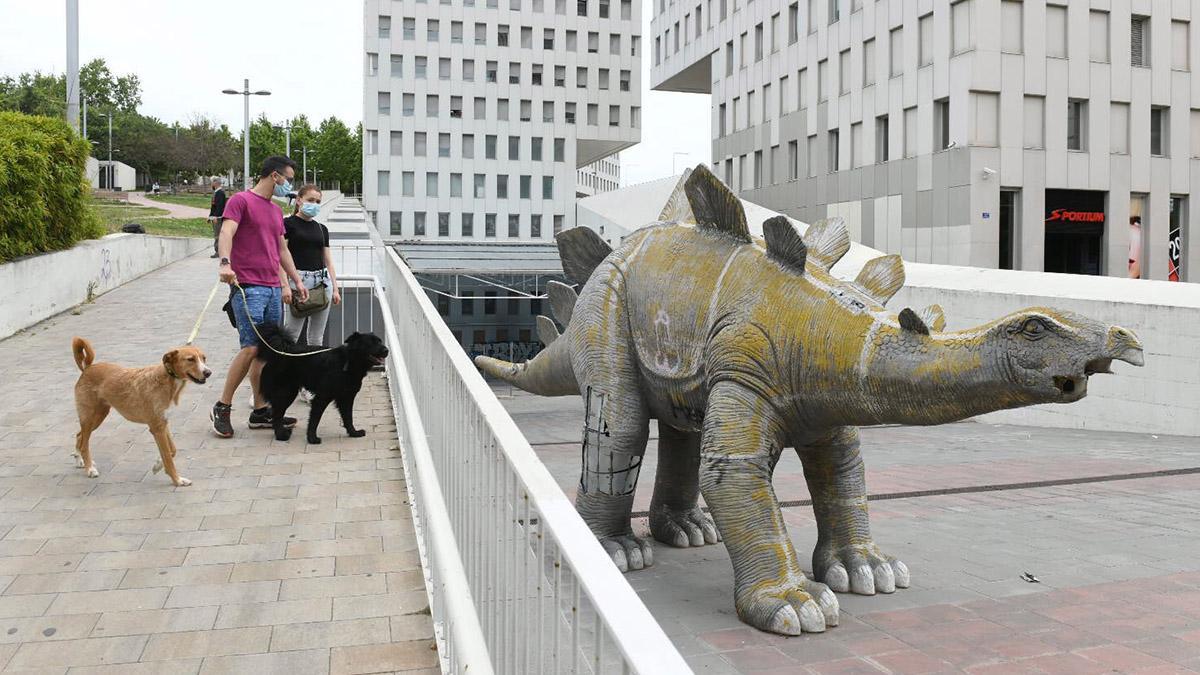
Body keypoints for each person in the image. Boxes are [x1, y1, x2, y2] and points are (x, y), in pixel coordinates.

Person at [211, 155, 309, 438]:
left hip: (272, 288)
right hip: (248, 286)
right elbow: (227, 231)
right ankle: (222, 406)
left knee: (267, 353)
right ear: (275, 176)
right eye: (287, 178)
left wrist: (296, 280)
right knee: (251, 347)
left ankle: (260, 410)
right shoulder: (240, 201)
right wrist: (225, 262)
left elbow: (282, 250)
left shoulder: (276, 212)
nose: (289, 184)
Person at [282, 185, 341, 346]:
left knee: (316, 337)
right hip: (298, 281)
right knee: (291, 335)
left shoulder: (322, 229)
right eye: (310, 200)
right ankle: (286, 369)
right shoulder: (287, 224)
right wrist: (285, 285)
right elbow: (280, 256)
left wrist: (335, 288)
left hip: (322, 283)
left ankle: (314, 370)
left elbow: (328, 260)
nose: (314, 204)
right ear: (299, 200)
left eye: (317, 201)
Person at [208, 178, 228, 258]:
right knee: (216, 234)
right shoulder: (216, 192)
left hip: (218, 217)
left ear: (216, 183)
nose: (211, 184)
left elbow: (220, 207)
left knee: (218, 235)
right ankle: (218, 251)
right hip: (215, 217)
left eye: (212, 182)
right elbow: (213, 206)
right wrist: (210, 216)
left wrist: (216, 216)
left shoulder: (220, 193)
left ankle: (219, 252)